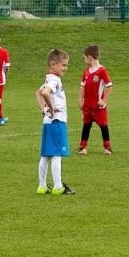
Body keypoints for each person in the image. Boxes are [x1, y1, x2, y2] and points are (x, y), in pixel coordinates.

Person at [36, 48, 75, 195]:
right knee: (57, 153)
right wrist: (51, 109)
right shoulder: (55, 80)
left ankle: (42, 186)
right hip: (57, 121)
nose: (66, 68)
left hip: (48, 122)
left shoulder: (48, 78)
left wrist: (43, 110)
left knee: (46, 155)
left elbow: (38, 93)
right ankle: (58, 186)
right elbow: (45, 93)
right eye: (63, 65)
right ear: (53, 64)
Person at [76, 43, 114, 155]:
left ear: (90, 57)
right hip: (87, 105)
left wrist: (104, 100)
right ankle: (82, 147)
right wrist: (80, 100)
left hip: (98, 106)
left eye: (84, 57)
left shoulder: (102, 71)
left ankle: (107, 148)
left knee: (103, 125)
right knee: (86, 125)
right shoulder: (86, 71)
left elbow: (109, 86)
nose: (84, 60)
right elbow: (82, 87)